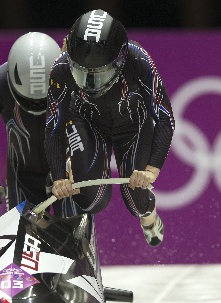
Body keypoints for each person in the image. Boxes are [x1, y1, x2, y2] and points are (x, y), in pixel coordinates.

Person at [45, 10, 175, 247]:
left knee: (136, 202)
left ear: (119, 60)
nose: (90, 84)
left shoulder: (138, 61)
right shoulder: (61, 68)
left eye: (100, 74)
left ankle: (149, 219)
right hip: (87, 122)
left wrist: (151, 171)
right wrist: (58, 177)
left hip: (132, 126)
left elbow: (166, 118)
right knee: (92, 200)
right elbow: (53, 126)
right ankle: (78, 241)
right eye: (81, 74)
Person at [0, 32, 62, 210]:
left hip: (64, 175)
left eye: (42, 100)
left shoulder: (69, 81)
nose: (36, 104)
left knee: (74, 232)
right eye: (29, 99)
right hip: (22, 176)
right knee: (19, 233)